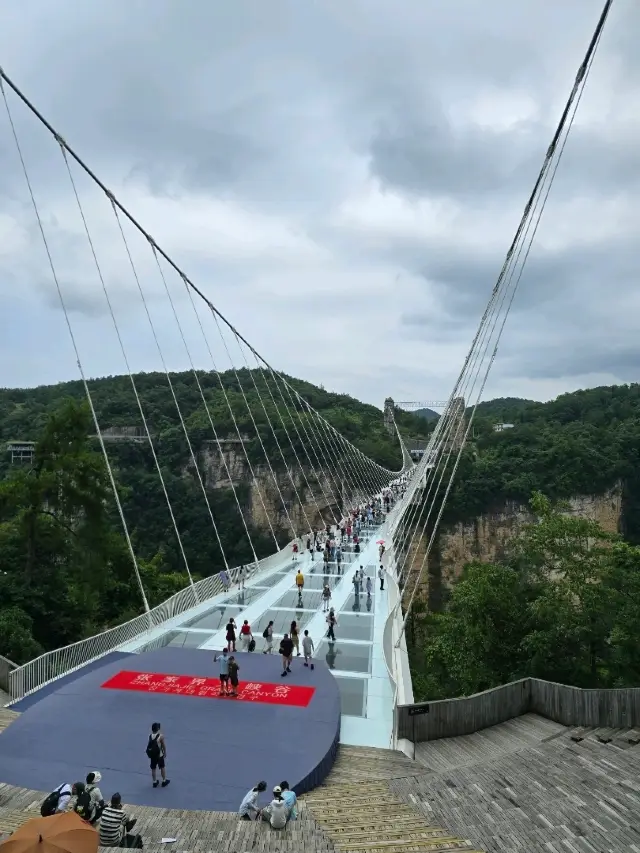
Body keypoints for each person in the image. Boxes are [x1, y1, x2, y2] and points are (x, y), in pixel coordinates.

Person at [146, 722, 169, 788]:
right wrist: (165, 752)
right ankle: (164, 781)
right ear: (158, 729)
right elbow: (163, 746)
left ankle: (154, 782)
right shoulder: (160, 736)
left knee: (153, 768)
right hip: (159, 755)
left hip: (153, 755)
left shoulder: (150, 736)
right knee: (162, 767)